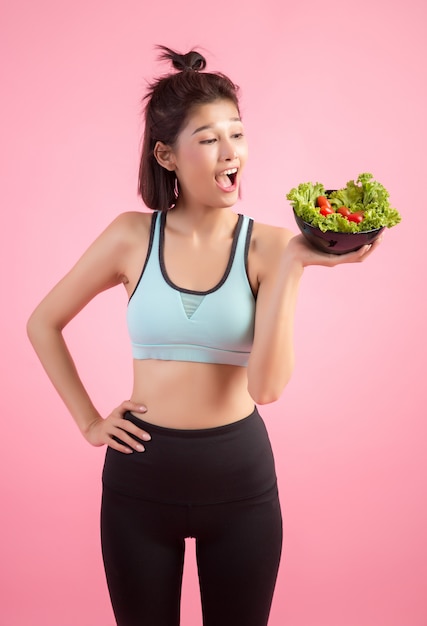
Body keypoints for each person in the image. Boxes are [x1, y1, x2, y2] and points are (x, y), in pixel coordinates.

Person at [27, 46, 380, 626]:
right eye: (210, 138)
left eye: (237, 134)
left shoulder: (270, 245)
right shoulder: (128, 236)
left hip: (239, 482)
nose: (231, 151)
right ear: (166, 154)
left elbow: (266, 389)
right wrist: (89, 422)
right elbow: (42, 322)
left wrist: (293, 265)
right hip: (139, 481)